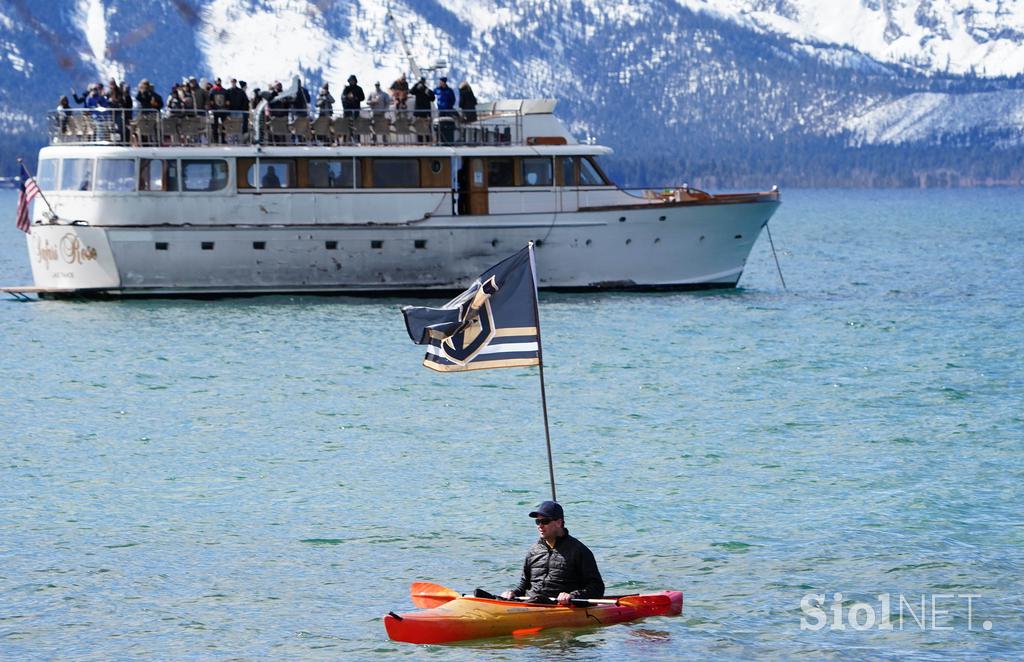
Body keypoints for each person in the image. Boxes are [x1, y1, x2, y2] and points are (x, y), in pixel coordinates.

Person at [499, 501, 604, 605]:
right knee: (483, 595)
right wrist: (512, 593)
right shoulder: (533, 551)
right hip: (528, 603)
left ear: (558, 522)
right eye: (537, 522)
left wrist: (572, 596)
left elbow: (597, 587)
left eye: (545, 521)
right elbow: (523, 585)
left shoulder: (578, 550)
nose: (540, 526)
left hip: (555, 605)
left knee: (537, 599)